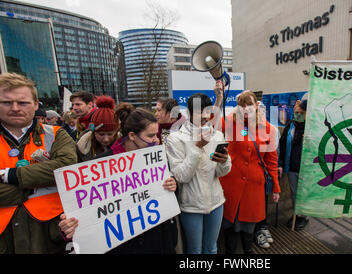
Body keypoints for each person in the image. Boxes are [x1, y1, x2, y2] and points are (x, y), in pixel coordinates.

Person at [59, 105, 179, 254]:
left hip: (160, 241)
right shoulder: (100, 166)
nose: (156, 140)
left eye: (157, 134)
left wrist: (172, 185)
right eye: (151, 135)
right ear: (132, 135)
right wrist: (70, 225)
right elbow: (88, 212)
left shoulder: (155, 158)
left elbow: (169, 193)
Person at [0, 73, 77, 253]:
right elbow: (54, 171)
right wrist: (36, 184)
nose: (15, 108)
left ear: (35, 104)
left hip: (50, 237)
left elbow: (66, 168)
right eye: (6, 102)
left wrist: (9, 176)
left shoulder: (56, 134)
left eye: (23, 102)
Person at [216, 84, 281, 254]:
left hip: (254, 185)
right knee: (229, 223)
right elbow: (210, 128)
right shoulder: (228, 122)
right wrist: (218, 99)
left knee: (249, 225)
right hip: (230, 183)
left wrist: (275, 186)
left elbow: (271, 160)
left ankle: (249, 253)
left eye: (249, 104)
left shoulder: (267, 128)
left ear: (256, 105)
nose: (245, 108)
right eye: (242, 105)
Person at [165, 93, 232, 254]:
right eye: (198, 112)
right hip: (191, 205)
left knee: (212, 248)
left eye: (207, 111)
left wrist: (224, 161)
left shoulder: (217, 135)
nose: (204, 116)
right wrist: (198, 147)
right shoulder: (175, 138)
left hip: (216, 202)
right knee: (194, 250)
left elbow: (222, 172)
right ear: (188, 113)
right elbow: (181, 177)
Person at [278, 98, 309, 230]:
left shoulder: (311, 129)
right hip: (291, 168)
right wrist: (280, 163)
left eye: (301, 112)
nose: (298, 115)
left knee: (303, 194)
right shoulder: (290, 127)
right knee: (294, 194)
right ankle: (297, 215)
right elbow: (282, 146)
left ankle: (302, 216)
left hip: (306, 169)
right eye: (296, 112)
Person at [76, 96, 119, 162]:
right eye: (101, 134)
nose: (106, 139)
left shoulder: (125, 145)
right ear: (93, 131)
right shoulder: (81, 148)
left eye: (110, 134)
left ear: (116, 131)